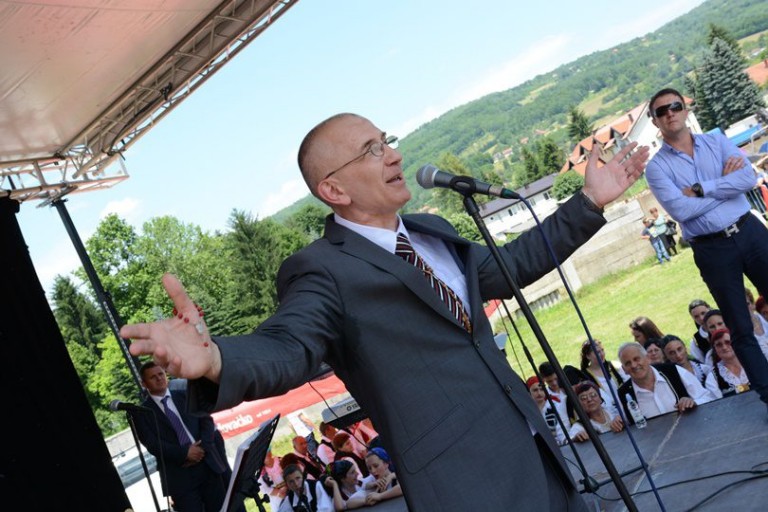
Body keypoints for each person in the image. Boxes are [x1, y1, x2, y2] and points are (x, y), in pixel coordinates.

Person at [121, 112, 649, 511]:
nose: (393, 156)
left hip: (538, 451)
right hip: (465, 483)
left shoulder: (431, 231)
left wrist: (588, 202)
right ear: (333, 189)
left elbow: (510, 265)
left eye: (386, 141)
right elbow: (290, 345)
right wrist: (217, 359)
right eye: (371, 150)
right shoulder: (320, 269)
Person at [645, 87, 768, 413]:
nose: (670, 113)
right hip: (712, 249)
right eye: (661, 111)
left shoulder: (716, 141)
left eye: (675, 106)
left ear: (685, 110)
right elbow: (680, 210)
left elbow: (748, 178)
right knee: (739, 327)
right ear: (655, 121)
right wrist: (725, 187)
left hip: (749, 231)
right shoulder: (656, 168)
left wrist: (702, 189)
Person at [133, 361, 234, 512]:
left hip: (207, 464)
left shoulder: (186, 396)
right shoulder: (142, 413)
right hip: (180, 476)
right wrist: (185, 453)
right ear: (144, 384)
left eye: (160, 374)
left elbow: (206, 421)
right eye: (153, 377)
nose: (159, 378)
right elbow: (153, 444)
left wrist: (201, 449)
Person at [616, 342, 717, 424]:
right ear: (624, 370)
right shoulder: (623, 394)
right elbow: (626, 423)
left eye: (636, 359)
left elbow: (708, 397)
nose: (634, 365)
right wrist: (617, 423)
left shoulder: (673, 371)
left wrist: (693, 402)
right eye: (628, 363)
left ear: (647, 358)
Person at [563, 339, 625, 416]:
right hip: (608, 412)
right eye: (597, 352)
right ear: (588, 356)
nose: (601, 354)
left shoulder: (613, 366)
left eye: (602, 350)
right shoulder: (585, 375)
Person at [705, 328, 751, 397]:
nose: (724, 347)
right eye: (719, 345)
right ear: (715, 349)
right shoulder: (713, 378)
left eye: (728, 342)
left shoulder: (753, 363)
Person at [527, 376, 568, 446]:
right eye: (535, 390)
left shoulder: (556, 405)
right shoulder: (528, 412)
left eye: (542, 389)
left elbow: (565, 426)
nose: (539, 393)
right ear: (529, 392)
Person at [687, 299, 712, 364]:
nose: (701, 318)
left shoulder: (726, 325)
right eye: (696, 316)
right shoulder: (695, 341)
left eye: (703, 313)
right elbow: (702, 364)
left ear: (709, 310)